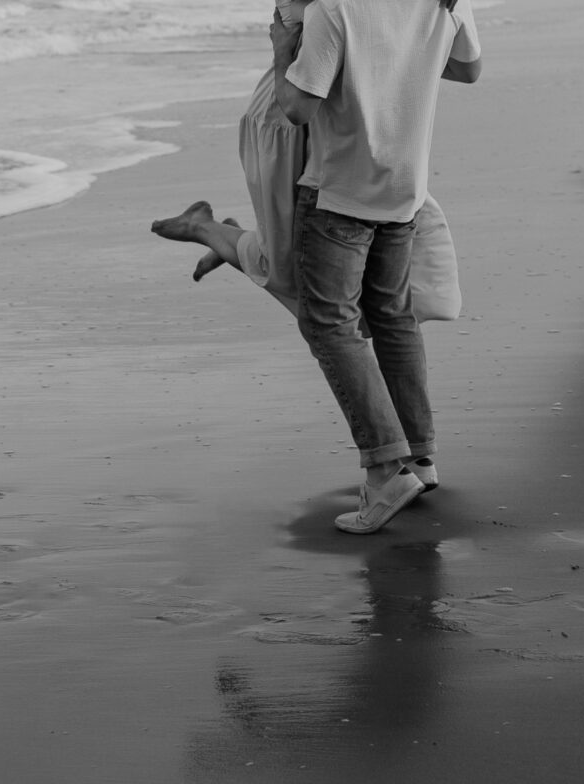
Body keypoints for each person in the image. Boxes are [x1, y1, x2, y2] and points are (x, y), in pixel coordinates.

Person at [152, 0, 481, 533]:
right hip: (403, 188)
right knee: (393, 318)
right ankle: (420, 457)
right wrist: (397, 57)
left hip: (340, 193)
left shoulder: (335, 7)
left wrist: (284, 52)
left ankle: (384, 468)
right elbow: (468, 68)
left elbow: (297, 109)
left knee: (329, 326)